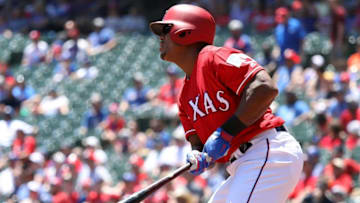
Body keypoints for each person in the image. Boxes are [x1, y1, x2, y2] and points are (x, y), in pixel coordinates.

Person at [150, 4, 304, 202]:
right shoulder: (184, 96)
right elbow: (198, 143)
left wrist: (226, 131)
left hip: (267, 150)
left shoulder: (214, 56)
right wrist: (197, 155)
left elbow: (265, 88)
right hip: (242, 165)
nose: (160, 37)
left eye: (165, 30)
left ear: (185, 32)